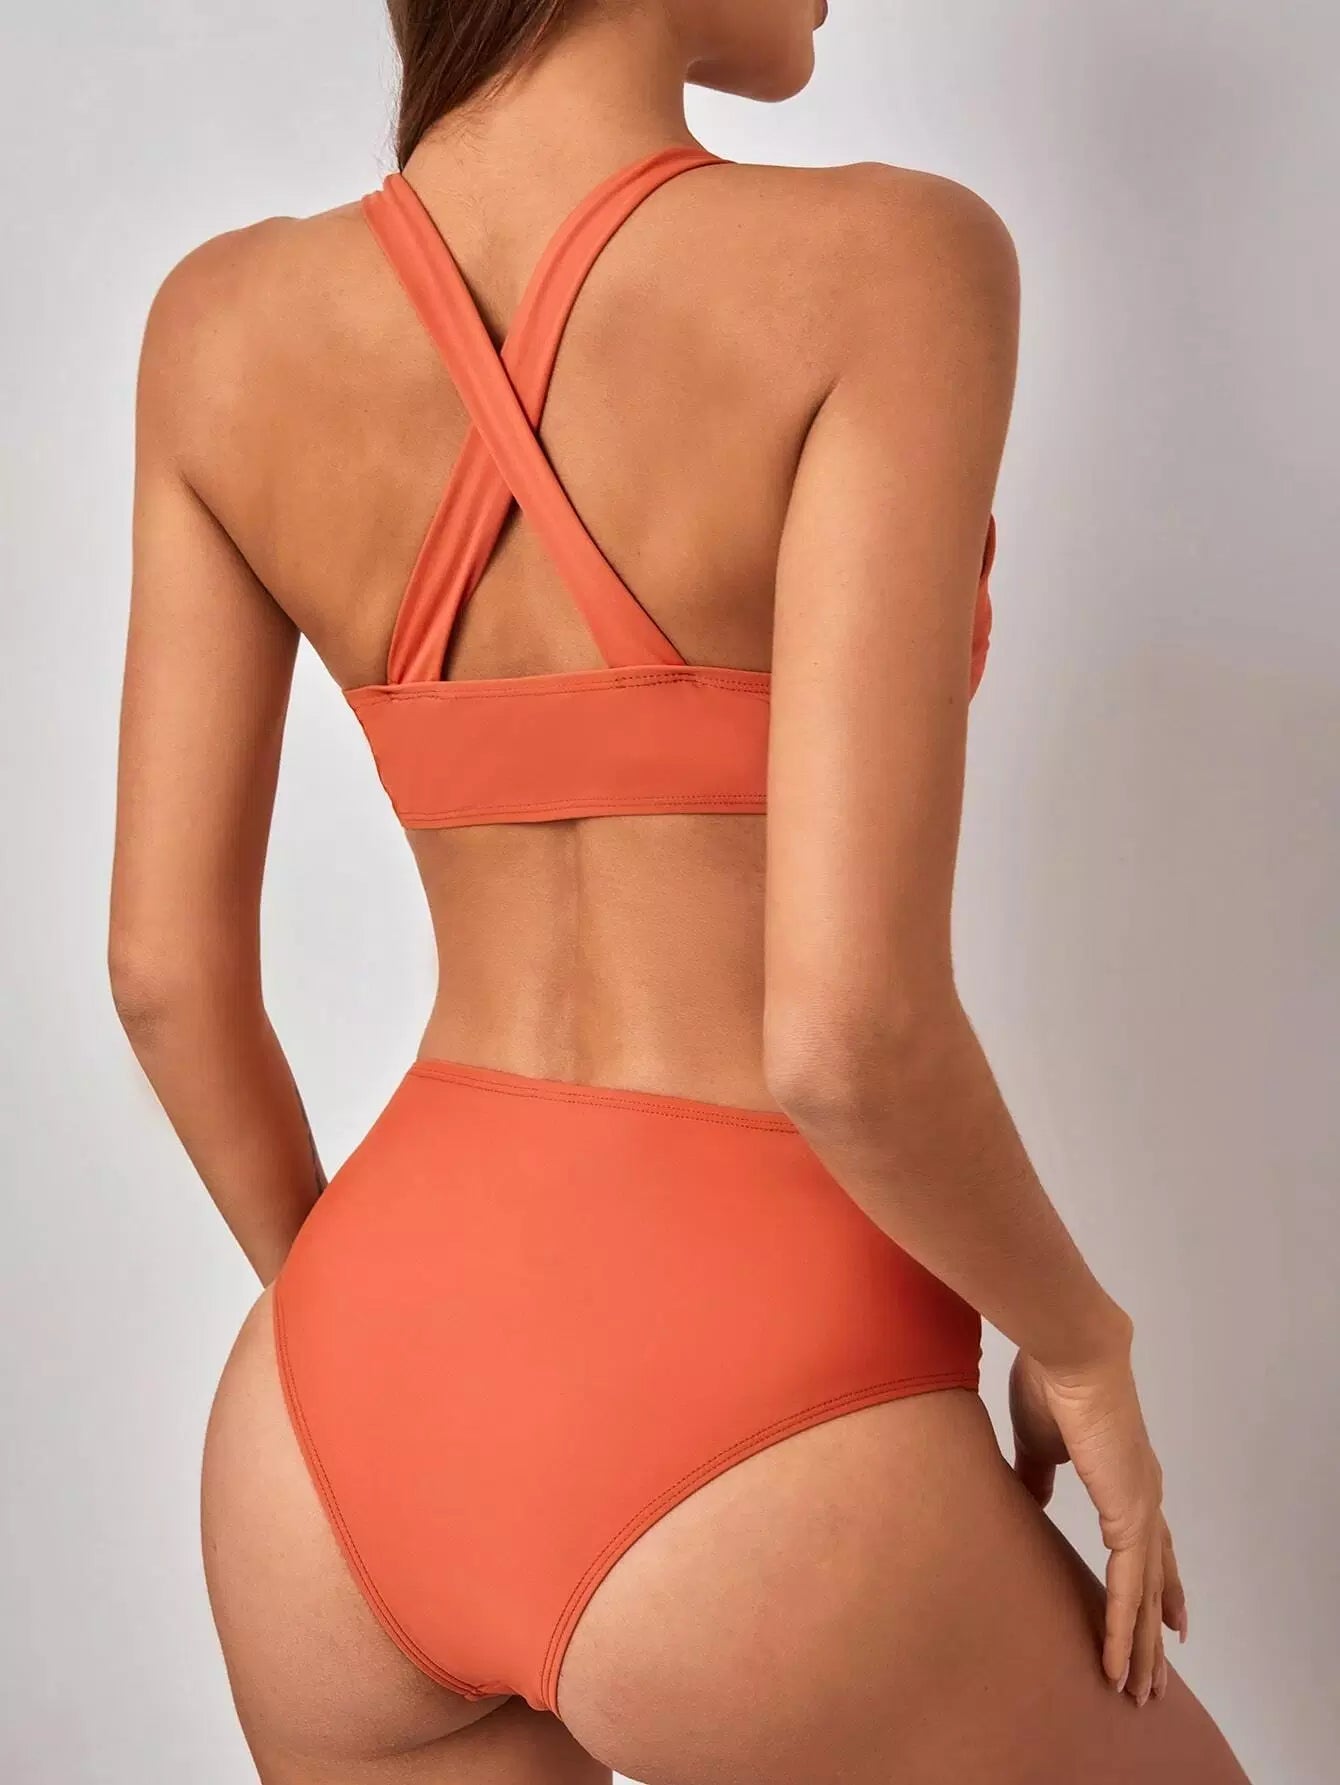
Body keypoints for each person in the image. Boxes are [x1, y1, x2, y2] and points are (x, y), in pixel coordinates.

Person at [109, 2, 1251, 1780]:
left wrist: (383, 1351)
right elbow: (847, 1034)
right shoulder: (894, 263)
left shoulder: (216, 325)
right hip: (750, 1413)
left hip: (337, 1424)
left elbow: (165, 973)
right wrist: (1082, 1344)